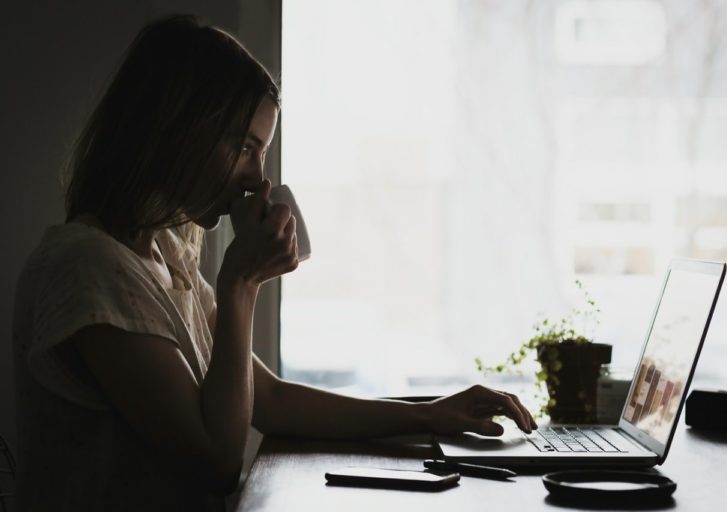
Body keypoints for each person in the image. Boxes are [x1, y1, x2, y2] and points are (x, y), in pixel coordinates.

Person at [11, 15, 536, 511]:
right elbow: (214, 460)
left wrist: (433, 414)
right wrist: (241, 281)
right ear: (177, 131)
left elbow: (269, 398)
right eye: (244, 147)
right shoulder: (89, 267)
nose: (256, 179)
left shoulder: (164, 258)